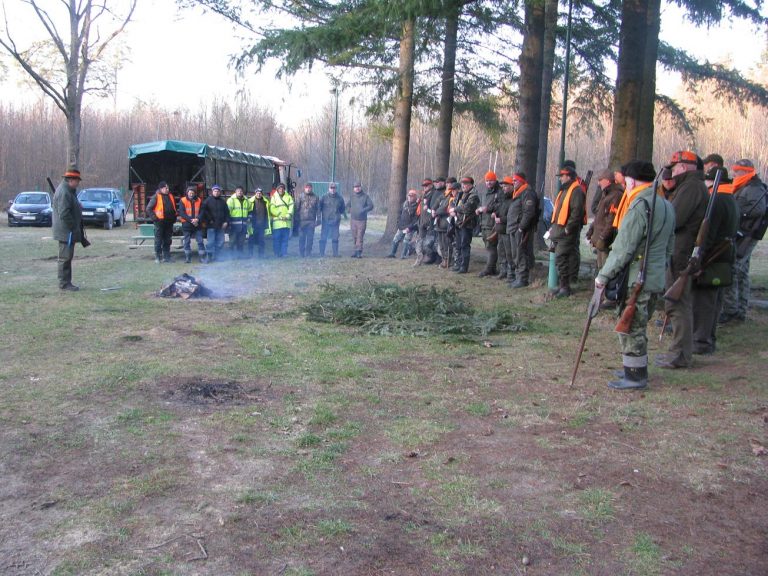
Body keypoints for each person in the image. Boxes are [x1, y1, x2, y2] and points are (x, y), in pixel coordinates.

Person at [595, 161, 675, 390]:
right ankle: (635, 368)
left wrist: (603, 276)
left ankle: (635, 377)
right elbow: (670, 246)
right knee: (638, 323)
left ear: (631, 181)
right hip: (655, 276)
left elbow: (623, 248)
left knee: (630, 326)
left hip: (636, 277)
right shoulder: (666, 205)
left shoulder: (640, 205)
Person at [657, 151, 709, 370]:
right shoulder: (689, 187)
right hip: (680, 250)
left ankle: (680, 354)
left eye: (676, 166)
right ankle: (679, 352)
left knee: (677, 303)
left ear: (686, 167)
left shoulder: (691, 188)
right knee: (677, 302)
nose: (673, 170)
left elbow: (674, 218)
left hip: (682, 252)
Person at [691, 166, 739, 355]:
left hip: (712, 258)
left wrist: (698, 260)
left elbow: (707, 235)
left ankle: (701, 342)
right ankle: (708, 339)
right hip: (723, 257)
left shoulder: (716, 200)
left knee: (704, 302)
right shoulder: (730, 199)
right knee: (714, 301)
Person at [719, 159, 768, 324]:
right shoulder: (746, 186)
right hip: (744, 234)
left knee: (733, 269)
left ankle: (732, 310)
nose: (735, 174)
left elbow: (759, 209)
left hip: (747, 235)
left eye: (738, 171)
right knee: (741, 271)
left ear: (746, 172)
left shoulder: (753, 187)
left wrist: (736, 211)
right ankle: (739, 310)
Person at [550, 165, 586, 297]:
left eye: (562, 176)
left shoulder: (576, 190)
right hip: (559, 231)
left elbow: (577, 212)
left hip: (566, 232)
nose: (560, 179)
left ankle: (565, 287)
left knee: (561, 257)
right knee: (562, 258)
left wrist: (568, 228)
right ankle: (563, 285)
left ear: (568, 176)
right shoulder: (565, 190)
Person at [52, 166, 85, 290]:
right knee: (65, 258)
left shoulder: (68, 191)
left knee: (67, 257)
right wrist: (73, 226)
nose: (78, 183)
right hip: (66, 231)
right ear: (71, 180)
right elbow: (64, 213)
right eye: (77, 181)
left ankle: (66, 282)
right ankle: (64, 283)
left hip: (68, 231)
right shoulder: (64, 192)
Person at [586, 169, 624, 270]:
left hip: (606, 241)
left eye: (600, 179)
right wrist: (591, 231)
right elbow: (599, 215)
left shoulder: (616, 195)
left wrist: (603, 238)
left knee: (606, 269)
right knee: (600, 268)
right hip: (600, 239)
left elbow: (611, 220)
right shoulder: (606, 194)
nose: (598, 182)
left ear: (607, 181)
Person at [509, 172, 539, 288]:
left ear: (521, 181)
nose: (513, 182)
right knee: (516, 254)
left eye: (515, 181)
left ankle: (522, 279)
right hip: (514, 228)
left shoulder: (527, 193)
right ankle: (518, 277)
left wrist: (521, 227)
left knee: (521, 253)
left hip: (521, 229)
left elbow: (529, 212)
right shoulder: (518, 193)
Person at [451, 176, 480, 273]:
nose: (463, 185)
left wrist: (455, 209)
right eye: (463, 184)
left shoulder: (473, 195)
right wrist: (453, 209)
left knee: (465, 245)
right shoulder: (461, 194)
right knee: (458, 245)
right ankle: (458, 264)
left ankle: (464, 267)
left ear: (471, 185)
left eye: (466, 184)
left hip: (467, 224)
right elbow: (454, 203)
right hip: (459, 223)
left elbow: (467, 208)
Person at [146, 181, 177, 263]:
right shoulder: (156, 197)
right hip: (159, 223)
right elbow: (148, 208)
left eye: (168, 188)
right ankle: (158, 257)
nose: (167, 189)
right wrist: (155, 218)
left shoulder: (171, 196)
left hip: (169, 222)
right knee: (158, 240)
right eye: (166, 188)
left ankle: (167, 257)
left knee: (167, 240)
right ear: (161, 188)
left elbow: (174, 208)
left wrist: (174, 217)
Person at [477, 171, 501, 277]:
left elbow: (501, 206)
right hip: (484, 223)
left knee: (491, 246)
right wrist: (479, 210)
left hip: (492, 224)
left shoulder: (499, 192)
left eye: (490, 180)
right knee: (488, 247)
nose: (488, 183)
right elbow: (482, 205)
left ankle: (489, 269)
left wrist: (489, 209)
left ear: (495, 180)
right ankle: (492, 268)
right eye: (487, 181)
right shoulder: (485, 192)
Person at [200, 184, 229, 262]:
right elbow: (203, 212)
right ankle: (208, 257)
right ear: (212, 192)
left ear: (220, 192)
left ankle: (217, 256)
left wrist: (226, 222)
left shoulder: (223, 202)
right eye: (215, 191)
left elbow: (227, 213)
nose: (216, 192)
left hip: (221, 225)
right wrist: (208, 221)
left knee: (221, 241)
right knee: (211, 242)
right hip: (211, 226)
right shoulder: (207, 201)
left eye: (218, 191)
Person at [389, 188, 419, 258]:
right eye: (409, 195)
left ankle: (403, 255)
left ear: (415, 197)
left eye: (412, 196)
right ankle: (392, 253)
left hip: (410, 227)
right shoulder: (404, 204)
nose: (410, 197)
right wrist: (398, 223)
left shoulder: (417, 206)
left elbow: (416, 219)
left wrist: (410, 227)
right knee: (396, 239)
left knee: (406, 241)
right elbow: (399, 213)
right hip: (402, 226)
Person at [179, 185, 206, 263]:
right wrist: (192, 220)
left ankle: (201, 258)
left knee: (200, 241)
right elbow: (182, 213)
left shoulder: (199, 200)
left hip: (197, 225)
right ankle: (188, 258)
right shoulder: (182, 200)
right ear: (187, 193)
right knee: (187, 241)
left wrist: (197, 219)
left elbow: (202, 212)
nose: (191, 194)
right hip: (187, 225)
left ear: (195, 193)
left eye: (193, 193)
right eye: (190, 193)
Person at [435, 180, 459, 269]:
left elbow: (443, 209)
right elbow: (437, 206)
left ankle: (448, 261)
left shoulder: (451, 199)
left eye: (454, 190)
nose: (452, 191)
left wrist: (437, 212)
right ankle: (444, 260)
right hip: (440, 223)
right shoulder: (446, 197)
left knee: (447, 244)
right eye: (451, 190)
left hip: (447, 224)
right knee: (441, 244)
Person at [415, 178, 439, 265]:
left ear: (430, 185)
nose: (424, 187)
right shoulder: (423, 194)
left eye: (426, 186)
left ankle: (431, 257)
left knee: (429, 242)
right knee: (420, 241)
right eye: (424, 186)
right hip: (422, 220)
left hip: (430, 221)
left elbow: (433, 207)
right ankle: (421, 257)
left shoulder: (433, 194)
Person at [496, 177, 515, 281]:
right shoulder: (504, 198)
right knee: (501, 252)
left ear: (512, 186)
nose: (504, 188)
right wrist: (496, 213)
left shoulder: (513, 199)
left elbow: (512, 216)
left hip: (508, 230)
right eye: (503, 186)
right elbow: (501, 210)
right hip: (501, 230)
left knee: (509, 253)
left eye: (506, 186)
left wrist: (501, 219)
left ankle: (511, 274)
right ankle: (503, 271)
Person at [319, 182, 346, 256]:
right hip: (325, 221)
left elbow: (342, 209)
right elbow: (319, 208)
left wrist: (337, 216)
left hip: (335, 222)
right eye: (331, 188)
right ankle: (321, 253)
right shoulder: (323, 197)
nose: (333, 189)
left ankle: (335, 254)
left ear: (336, 189)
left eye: (334, 188)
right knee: (323, 237)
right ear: (329, 188)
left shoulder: (340, 198)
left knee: (335, 238)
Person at [349, 182, 374, 258]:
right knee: (354, 236)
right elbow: (348, 205)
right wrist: (348, 209)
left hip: (362, 220)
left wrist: (363, 210)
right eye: (355, 187)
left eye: (358, 186)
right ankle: (355, 251)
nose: (357, 188)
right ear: (353, 188)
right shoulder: (352, 196)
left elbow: (371, 205)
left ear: (360, 187)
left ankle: (359, 252)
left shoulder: (365, 196)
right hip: (353, 220)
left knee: (360, 236)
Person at [295, 182, 320, 257]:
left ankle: (308, 252)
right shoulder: (300, 196)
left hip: (311, 221)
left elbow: (318, 209)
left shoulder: (316, 197)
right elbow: (296, 209)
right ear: (304, 188)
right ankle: (301, 253)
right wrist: (297, 220)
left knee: (310, 238)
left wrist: (318, 219)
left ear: (311, 188)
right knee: (301, 238)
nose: (308, 189)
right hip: (302, 221)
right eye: (307, 187)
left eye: (309, 187)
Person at [269, 183, 294, 257]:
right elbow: (272, 208)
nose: (281, 190)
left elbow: (291, 207)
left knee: (285, 240)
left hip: (286, 223)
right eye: (279, 188)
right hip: (277, 224)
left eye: (282, 188)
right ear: (277, 189)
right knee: (277, 240)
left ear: (284, 189)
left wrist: (288, 215)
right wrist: (279, 215)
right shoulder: (274, 197)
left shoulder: (289, 197)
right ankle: (277, 253)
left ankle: (284, 253)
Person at [226, 186, 250, 258]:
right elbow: (227, 212)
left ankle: (239, 255)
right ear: (235, 192)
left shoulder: (246, 200)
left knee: (241, 242)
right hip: (234, 225)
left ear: (243, 192)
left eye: (241, 191)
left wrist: (249, 218)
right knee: (232, 242)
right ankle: (231, 256)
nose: (240, 192)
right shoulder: (231, 200)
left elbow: (249, 211)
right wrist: (228, 223)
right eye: (238, 191)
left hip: (243, 225)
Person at [248, 188, 270, 258]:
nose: (259, 194)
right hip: (253, 225)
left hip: (262, 225)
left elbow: (267, 213)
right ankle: (251, 254)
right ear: (255, 194)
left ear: (262, 194)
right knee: (251, 240)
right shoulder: (250, 201)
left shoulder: (265, 202)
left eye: (260, 193)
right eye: (257, 193)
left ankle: (261, 254)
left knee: (261, 241)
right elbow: (247, 211)